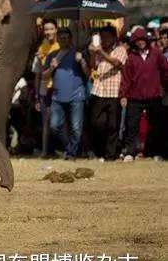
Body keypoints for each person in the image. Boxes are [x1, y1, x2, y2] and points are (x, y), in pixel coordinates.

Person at [119, 27, 168, 161]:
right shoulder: (131, 58)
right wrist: (124, 95)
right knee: (132, 126)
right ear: (134, 42)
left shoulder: (157, 54)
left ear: (146, 40)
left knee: (157, 126)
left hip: (154, 96)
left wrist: (163, 88)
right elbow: (126, 78)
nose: (140, 42)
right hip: (135, 97)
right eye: (137, 40)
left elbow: (165, 71)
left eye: (142, 39)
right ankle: (130, 152)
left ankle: (156, 152)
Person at [42, 28, 88, 159]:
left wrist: (82, 61)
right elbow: (44, 76)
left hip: (76, 96)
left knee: (76, 128)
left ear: (71, 39)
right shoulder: (52, 55)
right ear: (58, 40)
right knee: (54, 126)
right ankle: (70, 147)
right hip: (57, 97)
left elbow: (88, 73)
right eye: (61, 38)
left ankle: (71, 154)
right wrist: (52, 67)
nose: (63, 40)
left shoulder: (77, 55)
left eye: (66, 38)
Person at [87, 26, 127, 160]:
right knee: (95, 123)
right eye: (102, 37)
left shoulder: (120, 50)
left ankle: (110, 154)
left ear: (114, 38)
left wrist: (101, 52)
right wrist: (93, 53)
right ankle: (99, 150)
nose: (104, 39)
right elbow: (93, 66)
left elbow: (117, 63)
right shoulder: (99, 51)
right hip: (99, 90)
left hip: (114, 92)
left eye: (107, 36)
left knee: (112, 125)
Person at [33, 19, 60, 117]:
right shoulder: (42, 48)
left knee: (57, 121)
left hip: (58, 87)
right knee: (46, 119)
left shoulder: (61, 46)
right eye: (46, 30)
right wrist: (36, 95)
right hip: (45, 87)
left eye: (51, 29)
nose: (49, 32)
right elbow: (38, 74)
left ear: (56, 29)